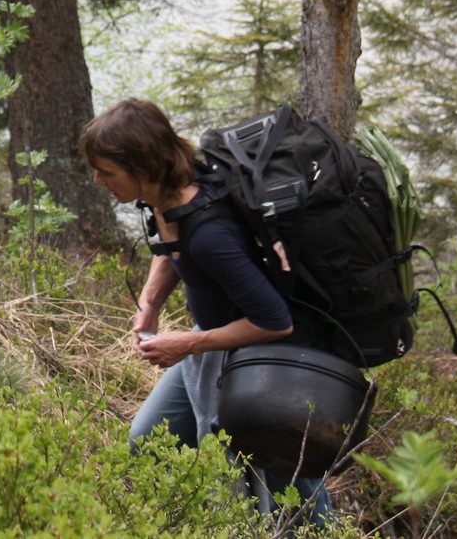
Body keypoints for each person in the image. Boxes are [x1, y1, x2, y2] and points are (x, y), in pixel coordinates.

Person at [81, 97, 334, 529]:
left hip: (269, 357)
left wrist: (187, 343)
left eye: (107, 170)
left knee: (284, 476)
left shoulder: (211, 236)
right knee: (149, 442)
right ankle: (201, 523)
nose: (98, 179)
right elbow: (171, 245)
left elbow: (275, 321)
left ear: (141, 166)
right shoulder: (170, 192)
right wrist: (150, 304)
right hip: (214, 344)